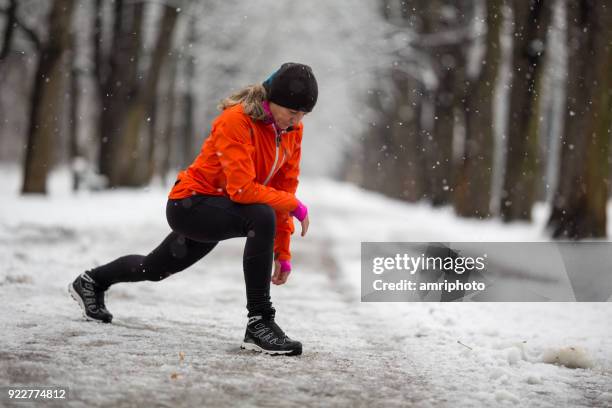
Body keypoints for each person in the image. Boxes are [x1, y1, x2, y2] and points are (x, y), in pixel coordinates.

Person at [68, 62, 318, 356]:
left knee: (154, 268)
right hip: (190, 204)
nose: (298, 120)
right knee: (259, 214)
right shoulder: (236, 120)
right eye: (292, 112)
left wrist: (282, 252)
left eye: (304, 114)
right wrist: (294, 206)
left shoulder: (291, 132)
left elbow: (283, 188)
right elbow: (242, 189)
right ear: (272, 100)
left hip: (220, 208)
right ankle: (260, 323)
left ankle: (91, 282)